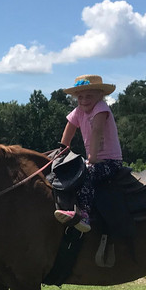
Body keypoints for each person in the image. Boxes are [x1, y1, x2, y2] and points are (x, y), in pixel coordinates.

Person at [54, 74, 123, 233]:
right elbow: (69, 129)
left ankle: (84, 215)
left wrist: (92, 158)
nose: (84, 100)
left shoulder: (101, 108)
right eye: (80, 97)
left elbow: (97, 131)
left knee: (87, 174)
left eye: (89, 96)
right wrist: (62, 151)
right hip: (93, 159)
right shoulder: (78, 111)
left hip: (110, 161)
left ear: (101, 95)